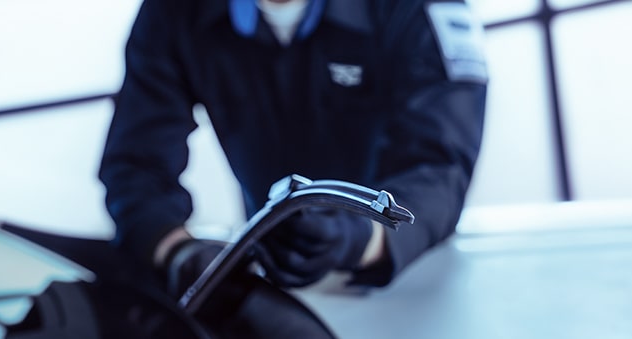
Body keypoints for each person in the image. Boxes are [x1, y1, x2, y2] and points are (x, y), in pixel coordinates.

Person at [99, 0, 487, 310]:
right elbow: (134, 163)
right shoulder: (173, 11)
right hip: (261, 286)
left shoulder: (418, 7)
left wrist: (358, 239)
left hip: (408, 285)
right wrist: (179, 253)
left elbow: (440, 166)